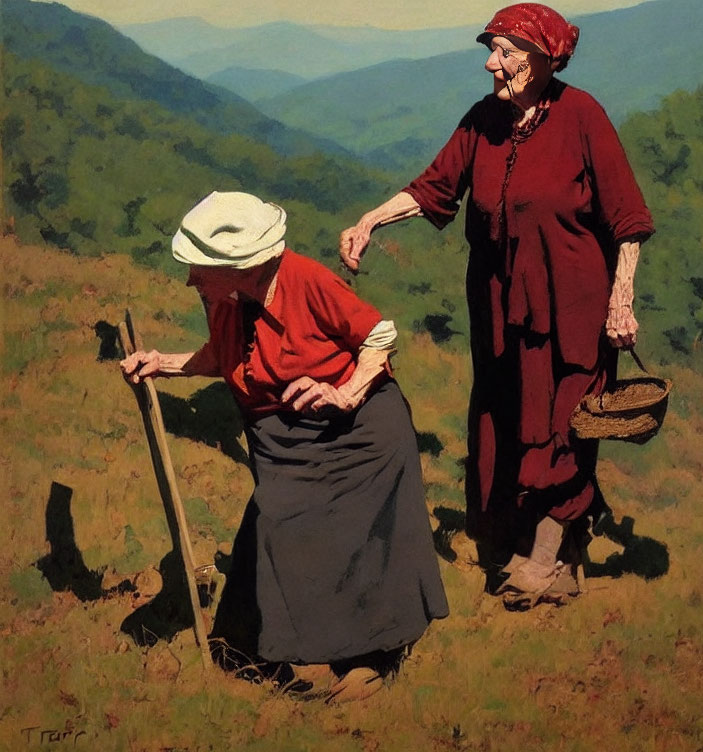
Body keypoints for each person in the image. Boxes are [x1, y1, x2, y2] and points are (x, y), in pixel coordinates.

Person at [339, 3, 654, 610]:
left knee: (566, 421)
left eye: (506, 54)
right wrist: (369, 220)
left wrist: (621, 299)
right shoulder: (484, 119)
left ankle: (549, 552)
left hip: (571, 311)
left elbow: (628, 218)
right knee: (507, 418)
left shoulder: (583, 115)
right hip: (498, 309)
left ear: (541, 59)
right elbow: (434, 187)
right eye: (493, 51)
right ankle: (533, 541)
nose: (491, 64)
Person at [122, 191, 448, 701]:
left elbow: (379, 336)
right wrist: (162, 363)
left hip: (356, 432)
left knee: (348, 539)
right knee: (274, 524)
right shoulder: (226, 299)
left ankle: (371, 658)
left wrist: (344, 393)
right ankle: (248, 650)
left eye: (201, 269)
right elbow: (226, 357)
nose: (190, 280)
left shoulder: (306, 280)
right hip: (287, 436)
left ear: (244, 267)